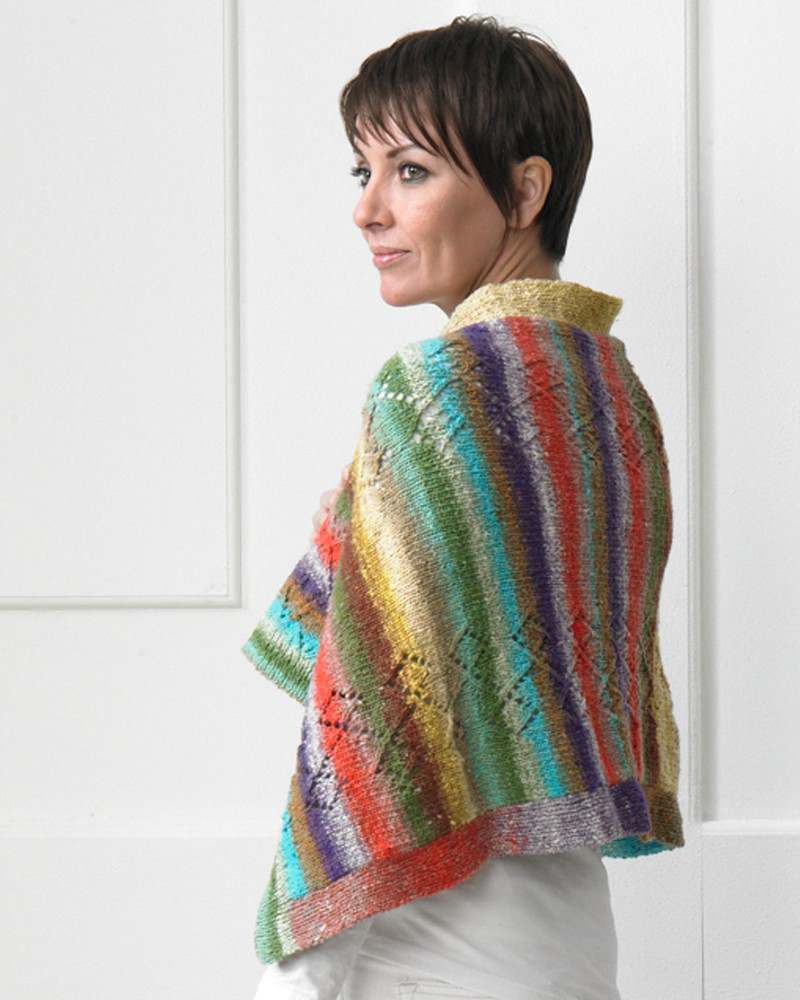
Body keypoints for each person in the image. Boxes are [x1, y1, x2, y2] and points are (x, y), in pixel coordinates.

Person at [245, 13, 683, 1000]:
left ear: (524, 191)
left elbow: (359, 724)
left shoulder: (435, 389)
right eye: (361, 171)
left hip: (416, 942)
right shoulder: (615, 396)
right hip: (567, 942)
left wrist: (296, 974)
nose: (367, 209)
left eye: (409, 171)